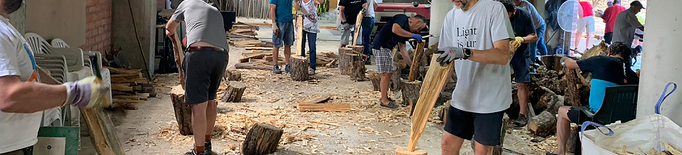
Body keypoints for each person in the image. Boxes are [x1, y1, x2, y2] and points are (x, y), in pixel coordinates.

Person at [0, 0, 108, 154]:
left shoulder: (6, 28)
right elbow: (9, 95)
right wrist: (71, 93)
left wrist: (61, 88)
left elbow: (30, 69)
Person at [436, 0, 513, 154]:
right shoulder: (451, 17)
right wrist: (432, 93)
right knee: (447, 144)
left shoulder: (494, 9)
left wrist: (465, 52)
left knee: (481, 150)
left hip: (490, 98)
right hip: (463, 95)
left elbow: (503, 55)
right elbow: (445, 61)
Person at [548, 42, 639, 155]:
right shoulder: (632, 75)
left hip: (597, 116)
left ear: (609, 52)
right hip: (623, 120)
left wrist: (564, 60)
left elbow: (571, 65)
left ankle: (560, 152)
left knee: (562, 111)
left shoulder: (600, 60)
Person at [166, 0, 229, 154]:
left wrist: (172, 35)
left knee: (198, 105)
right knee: (210, 99)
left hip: (199, 54)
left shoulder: (186, 3)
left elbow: (169, 27)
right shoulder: (213, 9)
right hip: (221, 55)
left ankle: (198, 151)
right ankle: (207, 144)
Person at [371, 14, 426, 109]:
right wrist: (413, 35)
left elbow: (403, 49)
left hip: (386, 48)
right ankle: (384, 100)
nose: (418, 31)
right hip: (381, 46)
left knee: (388, 73)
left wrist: (412, 66)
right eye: (419, 28)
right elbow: (395, 29)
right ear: (417, 22)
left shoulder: (405, 32)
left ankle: (385, 97)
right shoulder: (402, 18)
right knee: (385, 73)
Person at [501, 0, 538, 127]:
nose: (506, 18)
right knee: (497, 81)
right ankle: (497, 110)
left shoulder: (524, 15)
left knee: (521, 83)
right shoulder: (497, 15)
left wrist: (521, 39)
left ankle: (523, 115)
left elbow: (534, 36)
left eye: (509, 15)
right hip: (501, 51)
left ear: (514, 11)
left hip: (520, 53)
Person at [513, 0, 546, 64]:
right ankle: (545, 60)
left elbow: (526, 22)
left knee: (532, 44)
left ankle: (531, 65)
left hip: (538, 26)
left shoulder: (525, 6)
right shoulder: (516, 6)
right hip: (535, 25)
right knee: (540, 43)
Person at [295, 0, 322, 75]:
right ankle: (302, 66)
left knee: (312, 47)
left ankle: (312, 67)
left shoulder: (313, 1)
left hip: (312, 27)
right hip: (302, 26)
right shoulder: (299, 2)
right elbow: (297, 13)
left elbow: (321, 1)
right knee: (301, 47)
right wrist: (296, 23)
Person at [270, 0, 294, 74]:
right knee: (276, 44)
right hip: (279, 22)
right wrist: (274, 23)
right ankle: (275, 66)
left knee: (288, 44)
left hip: (289, 21)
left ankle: (287, 65)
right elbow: (272, 8)